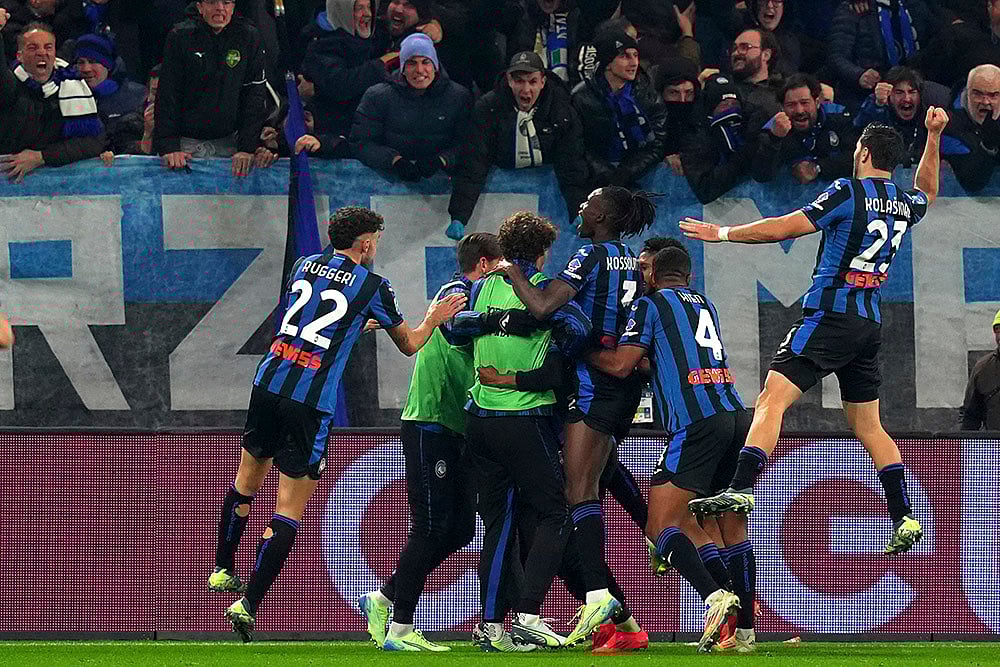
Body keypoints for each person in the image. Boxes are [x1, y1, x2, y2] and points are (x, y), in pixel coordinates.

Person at [680, 111, 952, 557]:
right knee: (868, 424)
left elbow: (786, 226)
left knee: (772, 398)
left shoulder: (848, 191)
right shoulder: (904, 203)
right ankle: (903, 514)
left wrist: (723, 233)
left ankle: (742, 489)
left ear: (862, 152)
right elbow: (929, 191)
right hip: (868, 324)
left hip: (829, 315)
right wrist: (935, 135)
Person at [209, 206, 466, 643]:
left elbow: (313, 315)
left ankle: (221, 567)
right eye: (376, 242)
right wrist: (433, 320)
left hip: (269, 381)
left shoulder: (304, 264)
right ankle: (248, 602)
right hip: (309, 402)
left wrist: (352, 327)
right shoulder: (373, 285)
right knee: (288, 506)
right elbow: (409, 345)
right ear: (365, 244)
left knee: (246, 481)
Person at [356, 233, 530, 652]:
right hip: (429, 422)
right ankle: (400, 629)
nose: (508, 275)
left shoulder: (480, 296)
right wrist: (498, 323)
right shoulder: (458, 290)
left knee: (458, 530)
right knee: (430, 526)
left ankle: (382, 598)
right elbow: (452, 326)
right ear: (486, 265)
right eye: (503, 266)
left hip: (457, 427)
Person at [498, 186, 655, 646]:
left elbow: (546, 305)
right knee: (588, 483)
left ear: (604, 214)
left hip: (593, 384)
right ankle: (619, 613)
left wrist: (515, 276)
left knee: (577, 492)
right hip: (618, 387)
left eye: (589, 204)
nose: (581, 208)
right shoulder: (628, 259)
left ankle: (599, 599)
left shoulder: (590, 255)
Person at [586, 244, 752, 653]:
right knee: (714, 525)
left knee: (660, 525)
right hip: (734, 415)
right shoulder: (704, 304)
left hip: (695, 423)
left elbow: (623, 365)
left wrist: (578, 348)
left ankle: (715, 599)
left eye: (644, 269)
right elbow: (659, 359)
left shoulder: (651, 304)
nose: (640, 275)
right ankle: (742, 632)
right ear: (688, 276)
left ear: (655, 274)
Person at [463, 211, 570, 649]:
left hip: (479, 419)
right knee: (556, 513)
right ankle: (528, 614)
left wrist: (495, 322)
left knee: (499, 522)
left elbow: (456, 328)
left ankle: (489, 626)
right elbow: (575, 334)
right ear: (543, 252)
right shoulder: (544, 290)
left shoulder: (483, 286)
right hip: (522, 418)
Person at [445, 50, 589, 241]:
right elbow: (474, 163)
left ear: (543, 81)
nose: (526, 89)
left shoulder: (561, 111)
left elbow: (572, 163)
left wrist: (578, 208)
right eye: (519, 81)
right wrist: (459, 216)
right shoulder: (488, 108)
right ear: (508, 80)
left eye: (532, 81)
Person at [153, 0, 269, 178]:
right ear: (200, 6)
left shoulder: (248, 36)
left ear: (234, 6)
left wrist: (247, 148)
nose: (220, 8)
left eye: (226, 2)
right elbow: (168, 93)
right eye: (212, 2)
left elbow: (254, 95)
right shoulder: (180, 37)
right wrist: (169, 146)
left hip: (231, 144)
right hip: (186, 146)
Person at [349, 32, 470, 183]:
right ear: (402, 68)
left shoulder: (459, 97)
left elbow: (468, 142)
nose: (419, 70)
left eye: (426, 62)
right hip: (388, 188)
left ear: (435, 66)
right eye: (412, 63)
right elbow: (361, 142)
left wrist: (443, 159)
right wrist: (394, 161)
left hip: (443, 189)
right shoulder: (377, 96)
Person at [0, 19, 105, 183]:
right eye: (33, 47)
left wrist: (41, 157)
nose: (42, 52)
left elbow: (94, 141)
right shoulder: (9, 86)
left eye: (48, 47)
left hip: (56, 191)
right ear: (19, 56)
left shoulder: (72, 86)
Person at [571, 31, 667, 188]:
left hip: (637, 179)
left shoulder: (648, 96)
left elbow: (656, 145)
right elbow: (577, 145)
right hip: (593, 181)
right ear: (607, 63)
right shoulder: (581, 98)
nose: (634, 62)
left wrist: (626, 173)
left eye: (635, 55)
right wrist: (607, 174)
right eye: (624, 56)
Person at [298, 0, 387, 153]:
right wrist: (382, 65)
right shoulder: (322, 45)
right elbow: (340, 86)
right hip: (331, 139)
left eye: (369, 7)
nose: (367, 14)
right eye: (359, 8)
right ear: (341, 12)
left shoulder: (378, 38)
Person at [826, 0, 938, 108]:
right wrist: (859, 75)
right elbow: (836, 57)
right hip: (869, 95)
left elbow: (935, 38)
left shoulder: (915, 4)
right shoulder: (853, 9)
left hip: (916, 88)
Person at [752, 74, 858, 185]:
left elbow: (858, 158)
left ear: (817, 102)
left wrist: (817, 167)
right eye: (791, 105)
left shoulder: (838, 115)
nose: (799, 110)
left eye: (804, 103)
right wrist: (774, 139)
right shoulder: (774, 129)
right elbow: (761, 176)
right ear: (782, 108)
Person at [680, 74, 758, 204]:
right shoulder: (694, 138)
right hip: (710, 216)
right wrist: (742, 156)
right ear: (711, 109)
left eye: (734, 103)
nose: (731, 109)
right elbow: (705, 189)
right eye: (724, 104)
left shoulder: (750, 128)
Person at [72, 32, 147, 157]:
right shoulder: (66, 97)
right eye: (80, 62)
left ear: (108, 65)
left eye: (93, 61)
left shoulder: (138, 96)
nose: (86, 69)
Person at [852, 66, 943, 167]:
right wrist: (878, 105)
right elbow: (859, 129)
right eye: (899, 92)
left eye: (912, 92)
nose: (906, 98)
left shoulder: (931, 117)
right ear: (889, 95)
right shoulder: (880, 112)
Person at [940, 64, 1000, 193]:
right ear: (966, 94)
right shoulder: (948, 127)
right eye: (978, 94)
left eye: (993, 95)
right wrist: (987, 146)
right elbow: (972, 182)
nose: (985, 102)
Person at [728, 27, 783, 121]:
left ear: (766, 55)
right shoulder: (726, 88)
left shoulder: (782, 92)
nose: (736, 53)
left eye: (744, 47)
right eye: (734, 48)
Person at [960, 308, 1000, 431]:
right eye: (997, 329)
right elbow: (970, 416)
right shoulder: (983, 368)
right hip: (995, 448)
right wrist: (964, 446)